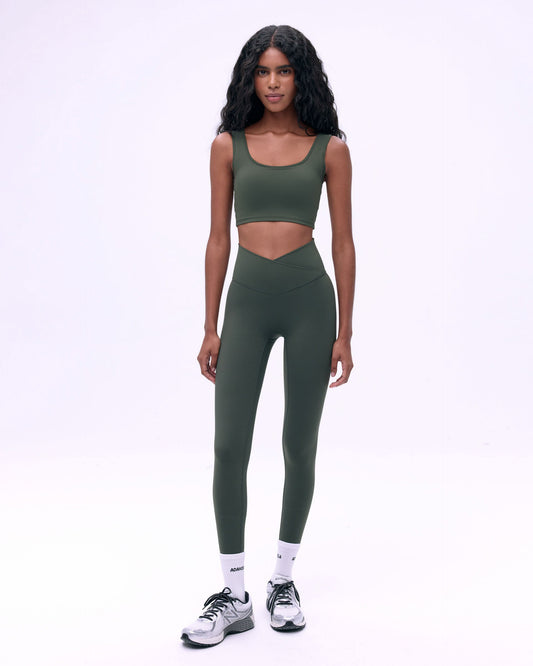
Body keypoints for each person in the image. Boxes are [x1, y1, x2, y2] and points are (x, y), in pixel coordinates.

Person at [180, 24, 355, 648]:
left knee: (297, 446)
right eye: (263, 71)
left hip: (311, 302)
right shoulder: (226, 146)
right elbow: (217, 239)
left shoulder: (330, 149)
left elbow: (343, 243)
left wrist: (346, 331)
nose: (273, 82)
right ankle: (234, 595)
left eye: (284, 70)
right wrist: (210, 325)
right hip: (246, 305)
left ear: (300, 76)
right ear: (249, 78)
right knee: (229, 446)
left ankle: (283, 580)